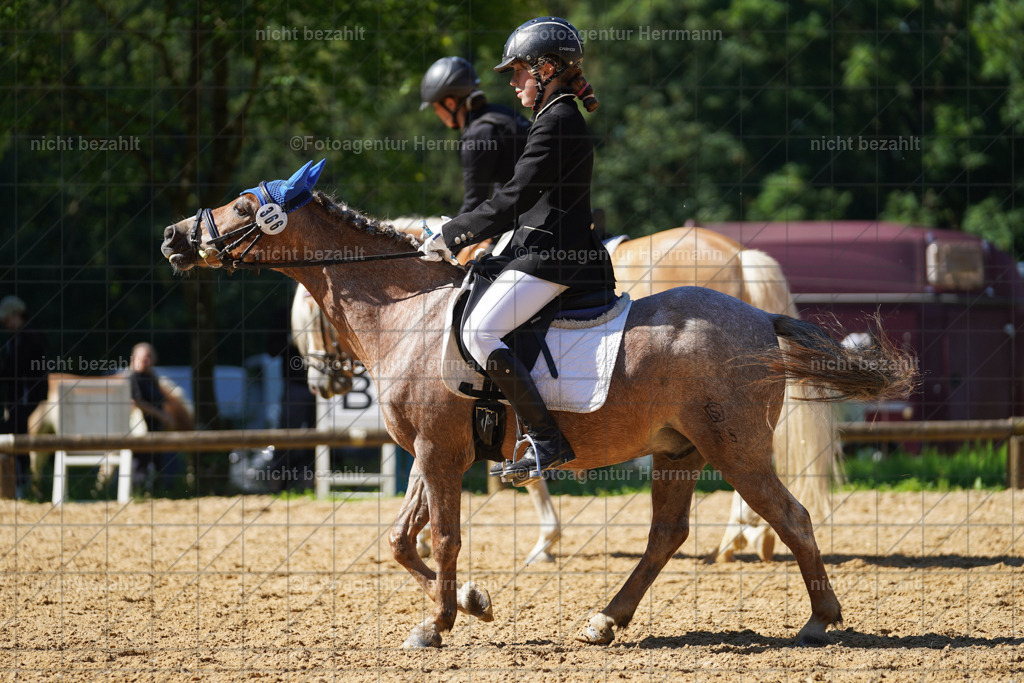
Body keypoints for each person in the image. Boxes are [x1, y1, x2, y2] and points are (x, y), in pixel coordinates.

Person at [419, 17, 615, 484]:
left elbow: (514, 198)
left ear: (546, 69)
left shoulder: (558, 120)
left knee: (480, 332)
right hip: (540, 246)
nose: (512, 81)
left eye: (519, 71)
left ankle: (547, 440)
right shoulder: (551, 116)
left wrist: (452, 235)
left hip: (556, 256)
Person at [420, 56, 532, 216]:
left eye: (436, 107)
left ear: (450, 103)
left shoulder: (477, 135)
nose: (436, 113)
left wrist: (447, 230)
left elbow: (473, 203)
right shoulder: (501, 113)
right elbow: (505, 184)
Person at [0, 295, 49, 496]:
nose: (5, 323)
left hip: (27, 399)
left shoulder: (29, 337)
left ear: (16, 314)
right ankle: (20, 483)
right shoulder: (18, 337)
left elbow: (18, 369)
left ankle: (21, 484)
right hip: (19, 398)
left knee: (16, 437)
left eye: (7, 319)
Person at [127, 342, 178, 491]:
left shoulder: (152, 377)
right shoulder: (133, 378)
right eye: (144, 358)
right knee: (140, 465)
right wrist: (162, 416)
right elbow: (138, 402)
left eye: (149, 357)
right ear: (134, 359)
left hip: (155, 429)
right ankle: (139, 491)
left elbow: (160, 401)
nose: (147, 361)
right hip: (140, 431)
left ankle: (161, 490)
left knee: (161, 462)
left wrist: (166, 417)